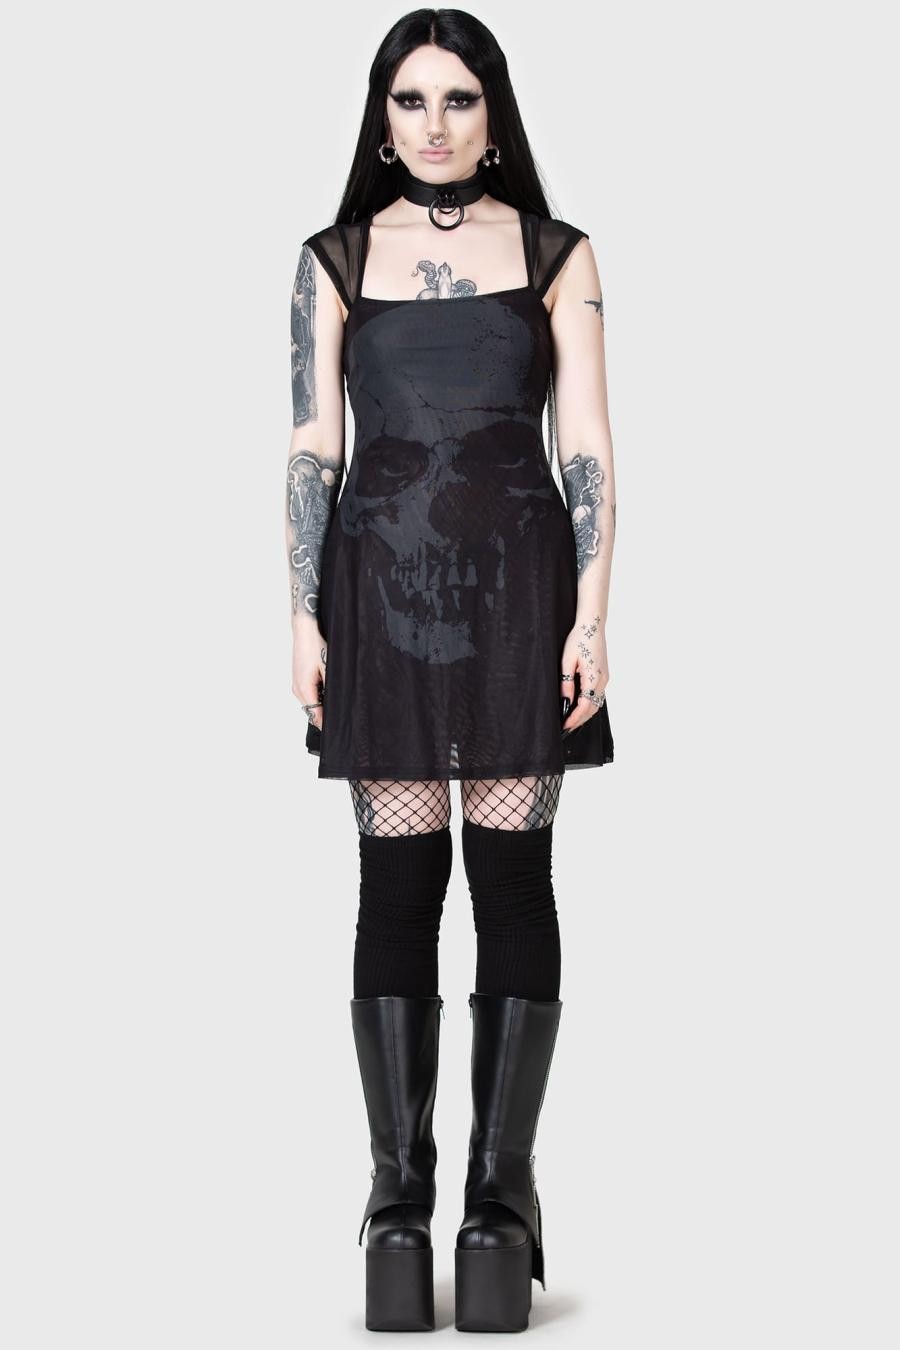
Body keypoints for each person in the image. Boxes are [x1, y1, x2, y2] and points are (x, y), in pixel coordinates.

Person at [285, 10, 616, 1333]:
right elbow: (312, 445)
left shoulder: (557, 253)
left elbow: (588, 445)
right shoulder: (333, 259)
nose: (435, 123)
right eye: (412, 100)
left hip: (522, 590)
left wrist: (594, 614)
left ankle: (496, 1194)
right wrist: (299, 613)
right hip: (380, 589)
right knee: (398, 885)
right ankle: (399, 1196)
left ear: (494, 114)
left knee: (514, 879)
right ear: (381, 120)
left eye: (459, 99)